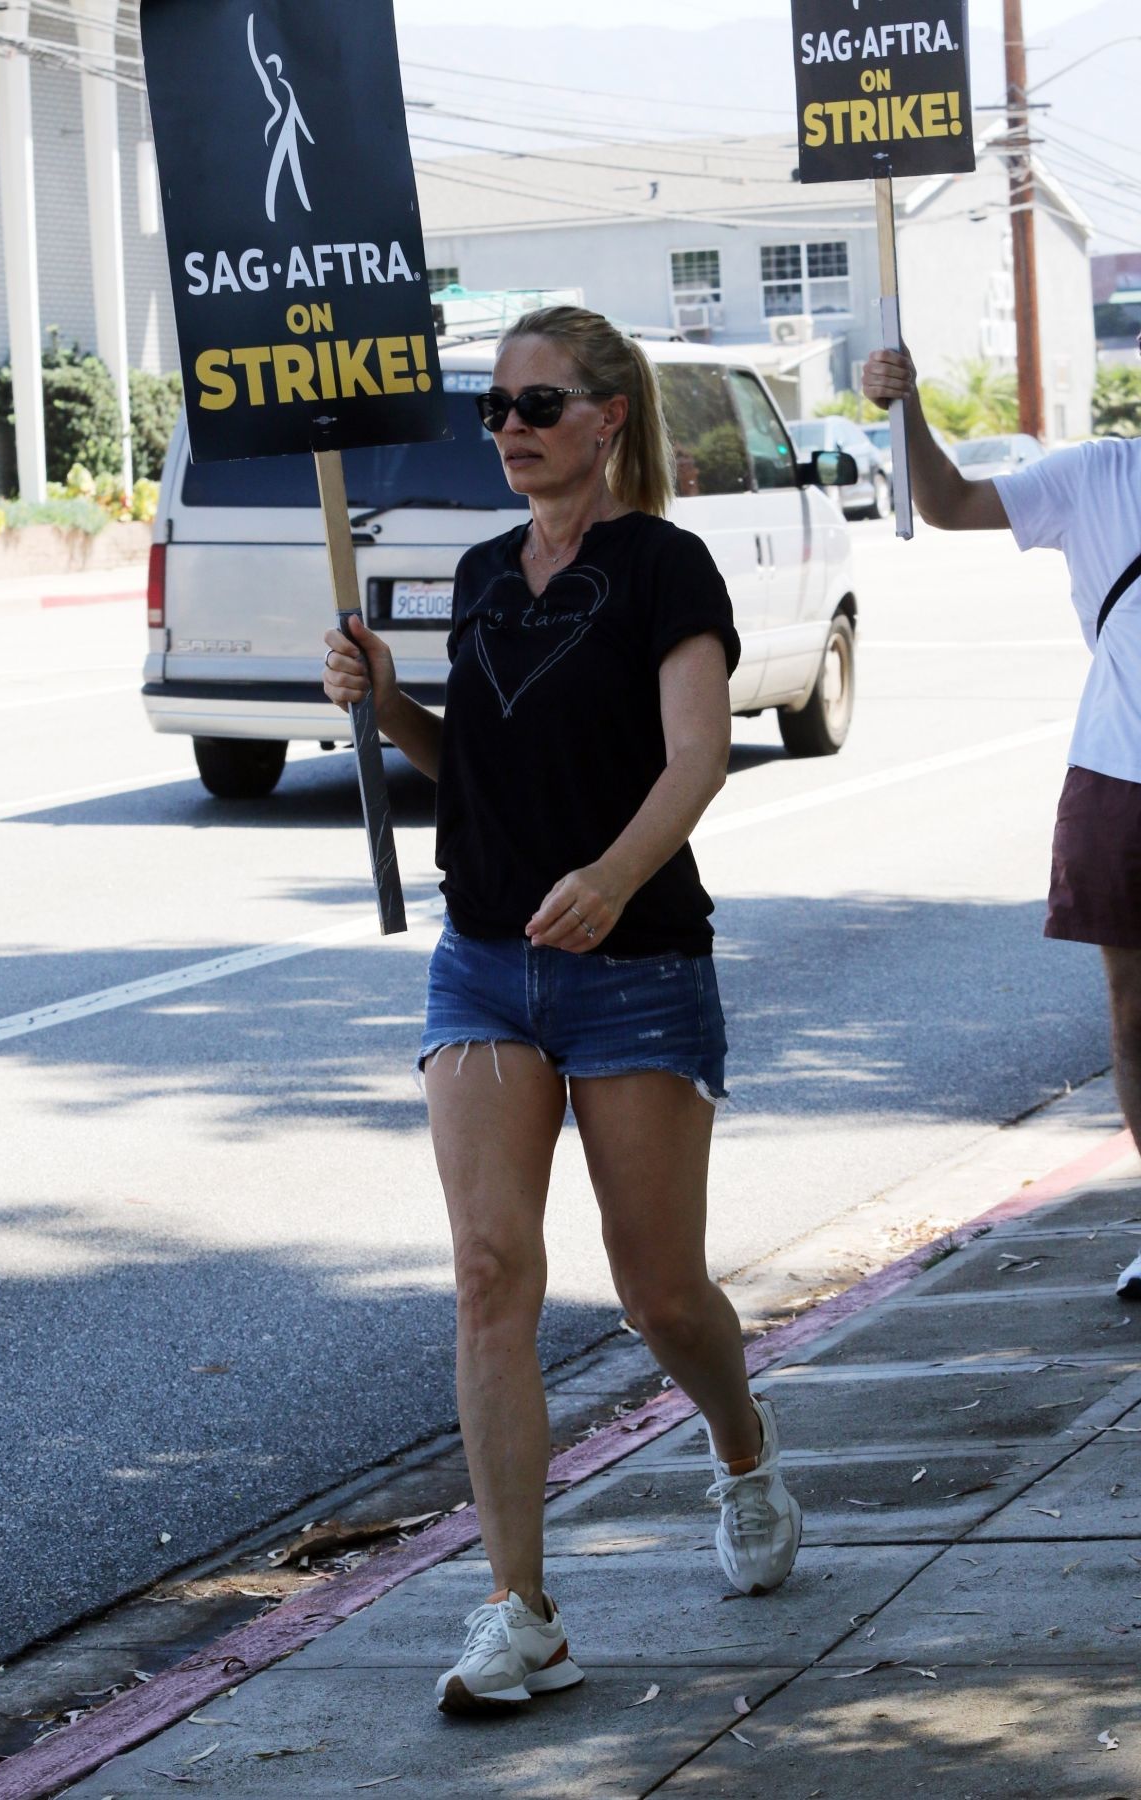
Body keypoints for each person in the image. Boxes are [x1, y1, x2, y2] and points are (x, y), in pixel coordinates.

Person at [323, 305, 802, 1714]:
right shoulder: (480, 573)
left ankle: (742, 1450)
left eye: (537, 403)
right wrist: (391, 707)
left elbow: (697, 753)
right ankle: (520, 1609)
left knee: (658, 1292)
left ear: (608, 416)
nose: (511, 427)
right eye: (495, 408)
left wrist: (611, 876)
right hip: (483, 958)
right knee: (489, 1273)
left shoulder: (666, 567)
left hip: (636, 964)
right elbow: (474, 757)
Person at [863, 343, 1141, 1304]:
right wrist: (905, 410)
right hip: (1120, 772)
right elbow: (948, 502)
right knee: (1135, 1012)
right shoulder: (1101, 473)